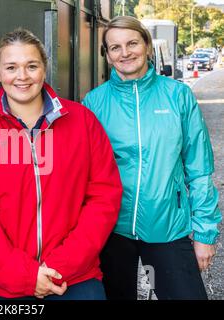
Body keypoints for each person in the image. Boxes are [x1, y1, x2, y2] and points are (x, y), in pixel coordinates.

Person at [0, 28, 123, 300]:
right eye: (11, 67)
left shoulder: (83, 122)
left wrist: (61, 265)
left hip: (75, 279)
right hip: (2, 286)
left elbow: (104, 197)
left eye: (32, 66)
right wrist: (25, 275)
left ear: (44, 69)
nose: (22, 76)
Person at [82, 16, 222, 300]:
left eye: (132, 43)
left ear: (146, 45)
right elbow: (81, 172)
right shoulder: (94, 102)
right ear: (107, 56)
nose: (125, 53)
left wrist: (205, 233)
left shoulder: (178, 95)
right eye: (115, 47)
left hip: (168, 226)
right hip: (110, 230)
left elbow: (199, 168)